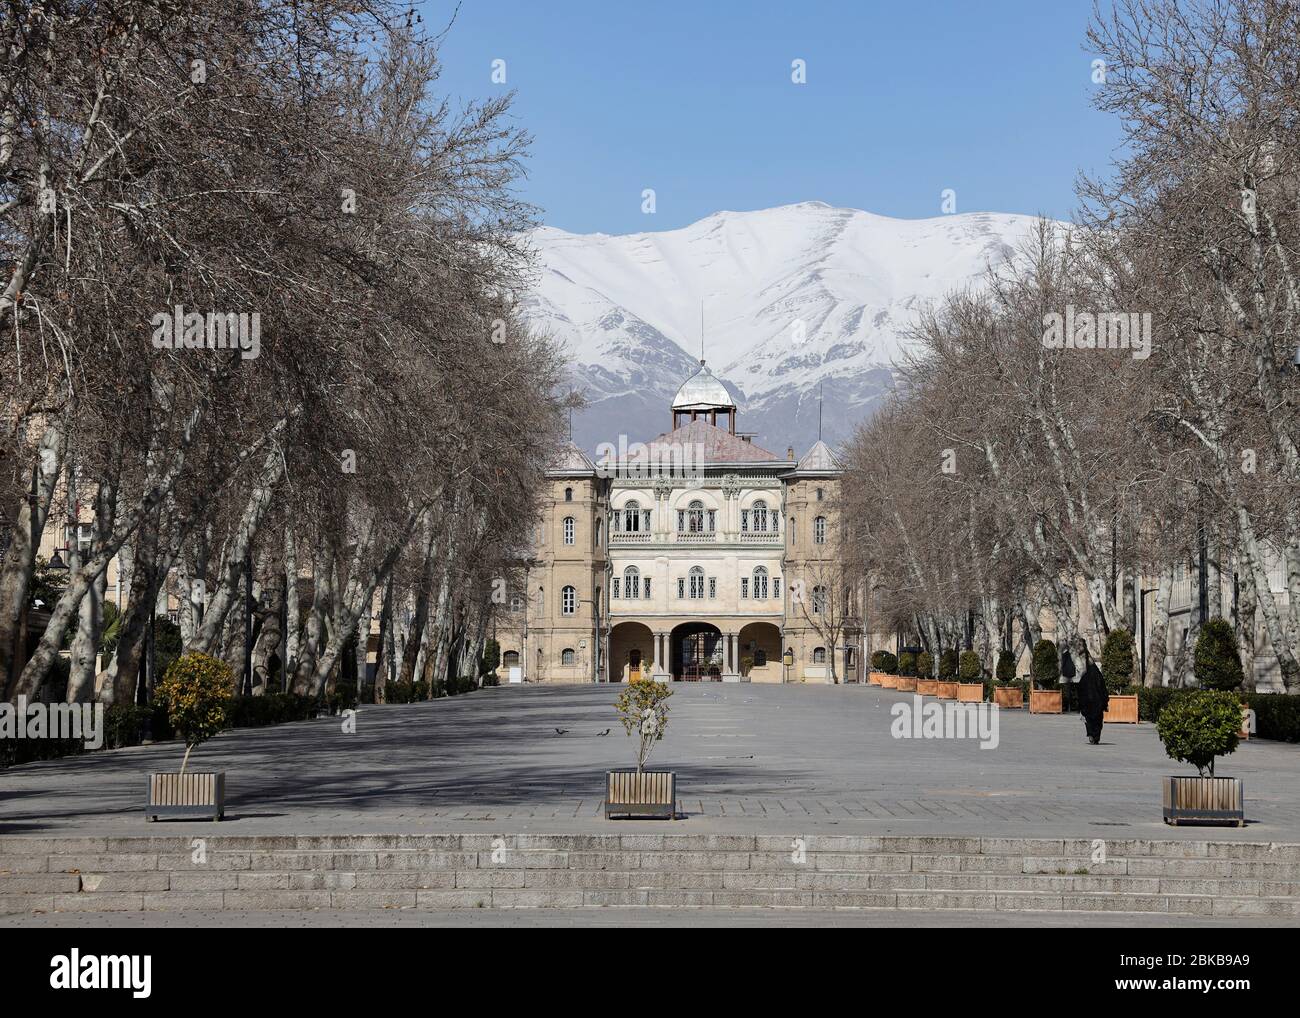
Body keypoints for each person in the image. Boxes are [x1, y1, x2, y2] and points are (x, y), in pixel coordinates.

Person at [1076, 644, 1109, 745]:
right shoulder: (1097, 673)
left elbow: (1080, 688)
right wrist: (1104, 701)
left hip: (1088, 702)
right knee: (1097, 720)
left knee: (1089, 719)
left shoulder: (1085, 674)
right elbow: (1102, 687)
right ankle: (1096, 736)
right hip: (1097, 701)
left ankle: (1091, 735)